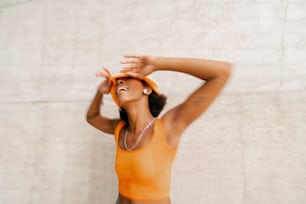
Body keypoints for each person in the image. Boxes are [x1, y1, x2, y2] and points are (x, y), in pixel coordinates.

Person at [86, 55, 232, 204]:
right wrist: (100, 92)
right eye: (116, 83)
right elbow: (92, 117)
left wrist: (158, 64)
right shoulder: (120, 130)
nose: (119, 82)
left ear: (147, 89)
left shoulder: (168, 127)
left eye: (128, 78)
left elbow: (222, 72)